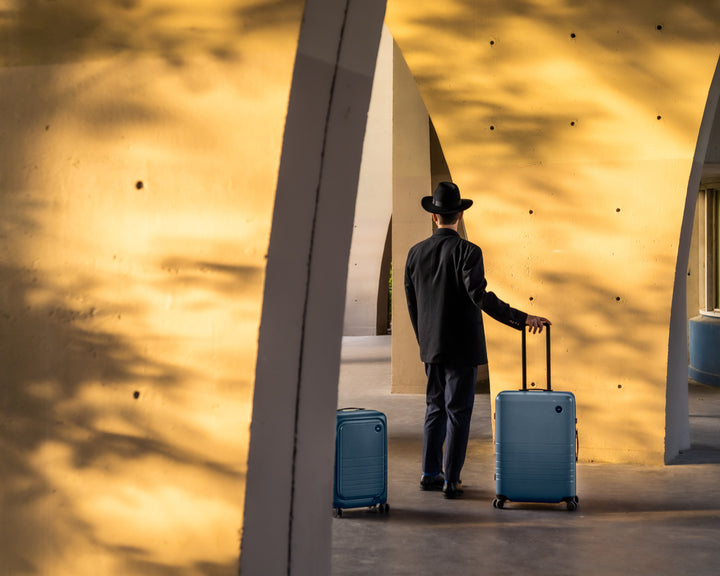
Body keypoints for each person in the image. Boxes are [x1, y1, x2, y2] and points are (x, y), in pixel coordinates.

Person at [404, 181, 550, 499]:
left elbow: (412, 304)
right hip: (462, 349)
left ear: (434, 217)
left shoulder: (415, 254)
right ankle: (451, 480)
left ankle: (430, 474)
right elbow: (480, 297)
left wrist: (425, 340)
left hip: (432, 347)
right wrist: (522, 318)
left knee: (434, 409)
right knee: (458, 412)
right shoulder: (468, 252)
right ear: (460, 215)